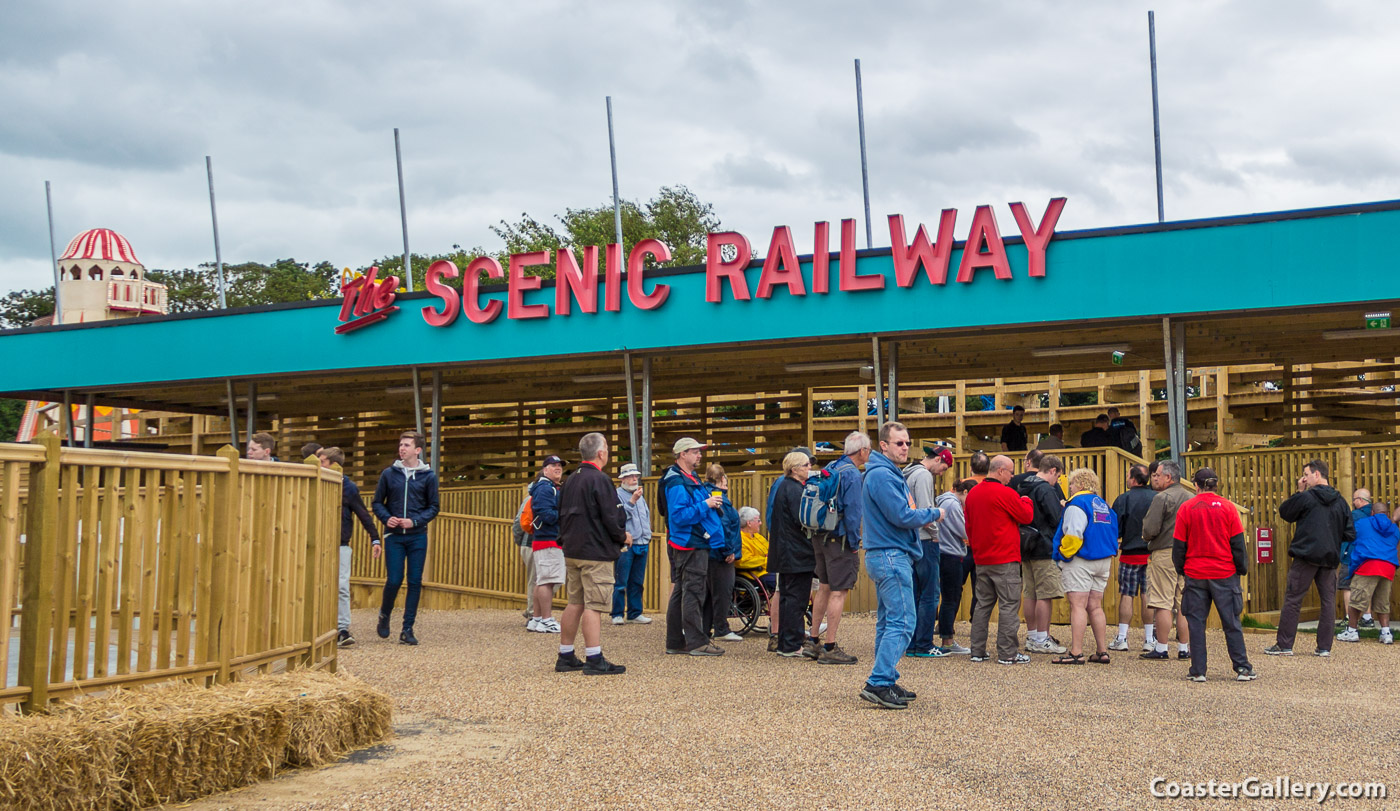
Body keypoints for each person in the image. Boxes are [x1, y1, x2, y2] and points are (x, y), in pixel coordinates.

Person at [858, 421, 939, 710]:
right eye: (898, 443)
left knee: (888, 621)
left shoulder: (884, 472)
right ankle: (879, 681)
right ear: (883, 445)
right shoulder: (882, 475)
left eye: (907, 442)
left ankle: (886, 679)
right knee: (903, 622)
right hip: (891, 556)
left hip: (886, 555)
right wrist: (935, 512)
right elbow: (902, 515)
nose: (905, 447)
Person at [554, 432, 630, 675]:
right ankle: (594, 657)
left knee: (574, 602)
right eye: (606, 447)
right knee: (594, 605)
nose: (607, 451)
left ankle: (565, 654)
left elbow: (559, 513)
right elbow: (611, 515)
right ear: (600, 453)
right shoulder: (600, 480)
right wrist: (622, 536)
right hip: (595, 552)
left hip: (572, 549)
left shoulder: (570, 481)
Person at [1173, 467, 1255, 681]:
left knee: (1196, 623)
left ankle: (1198, 670)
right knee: (1231, 622)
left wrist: (1182, 569)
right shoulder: (1228, 508)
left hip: (1196, 572)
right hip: (1224, 572)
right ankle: (1242, 668)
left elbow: (1179, 545)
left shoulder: (1187, 508)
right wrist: (1241, 568)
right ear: (1216, 485)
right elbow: (1237, 543)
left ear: (1196, 485)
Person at [1268, 459, 1352, 657]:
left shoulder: (1307, 498)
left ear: (1317, 474)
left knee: (1293, 599)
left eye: (1306, 474)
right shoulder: (1341, 502)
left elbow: (1285, 512)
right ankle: (1324, 647)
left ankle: (1285, 645)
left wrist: (1299, 492)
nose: (1304, 478)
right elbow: (1350, 533)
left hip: (1306, 555)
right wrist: (1332, 538)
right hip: (1330, 557)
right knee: (1328, 602)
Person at [371, 431, 439, 646]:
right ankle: (384, 614)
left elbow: (434, 507)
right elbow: (377, 503)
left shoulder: (429, 476)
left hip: (417, 536)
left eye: (407, 445)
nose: (402, 448)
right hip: (394, 537)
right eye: (401, 444)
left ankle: (407, 629)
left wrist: (415, 521)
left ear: (417, 450)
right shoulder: (389, 474)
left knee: (414, 581)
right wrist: (386, 518)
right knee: (394, 579)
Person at [965, 455, 1034, 665]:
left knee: (982, 605)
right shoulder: (1006, 493)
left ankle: (977, 651)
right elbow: (1026, 516)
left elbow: (968, 526)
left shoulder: (973, 494)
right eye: (1011, 472)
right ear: (1001, 471)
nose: (1012, 476)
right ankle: (1007, 653)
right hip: (1005, 559)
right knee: (1008, 606)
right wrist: (1026, 499)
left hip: (982, 559)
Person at [661, 438, 727, 656]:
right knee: (693, 592)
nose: (699, 456)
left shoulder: (687, 477)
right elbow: (678, 516)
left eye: (699, 452)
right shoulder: (677, 481)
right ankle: (697, 642)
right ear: (682, 454)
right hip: (690, 543)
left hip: (690, 541)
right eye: (695, 452)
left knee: (682, 591)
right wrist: (705, 504)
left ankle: (676, 642)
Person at [807, 432, 868, 665]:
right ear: (861, 451)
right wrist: (855, 542)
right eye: (868, 449)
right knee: (839, 591)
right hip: (840, 539)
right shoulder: (852, 474)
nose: (869, 453)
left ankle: (813, 642)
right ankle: (830, 646)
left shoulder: (833, 466)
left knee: (823, 587)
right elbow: (853, 512)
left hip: (819, 535)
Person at [1050, 468, 1119, 665]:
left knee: (1078, 606)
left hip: (1081, 559)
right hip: (1103, 559)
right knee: (1096, 606)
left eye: (1071, 484)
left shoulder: (1077, 504)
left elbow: (1073, 534)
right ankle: (1102, 650)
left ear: (1079, 484)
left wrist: (1062, 553)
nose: (1069, 487)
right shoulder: (1103, 505)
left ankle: (1076, 652)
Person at [318, 446, 380, 648]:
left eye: (323, 461)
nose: (320, 465)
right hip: (316, 544)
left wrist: (375, 538)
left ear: (334, 464)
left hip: (340, 544)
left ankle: (342, 629)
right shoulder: (314, 482)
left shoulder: (349, 488)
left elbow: (362, 513)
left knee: (342, 586)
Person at [1140, 460, 1193, 660]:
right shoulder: (1191, 498)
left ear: (1168, 477)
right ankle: (1183, 647)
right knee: (1183, 602)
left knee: (1163, 602)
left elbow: (1150, 529)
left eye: (1158, 475)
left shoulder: (1162, 498)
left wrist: (1146, 537)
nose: (1155, 478)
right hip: (1186, 554)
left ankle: (1162, 647)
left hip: (1164, 552)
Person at [904, 445, 952, 657]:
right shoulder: (923, 476)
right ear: (938, 459)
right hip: (925, 539)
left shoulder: (907, 472)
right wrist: (935, 533)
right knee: (930, 594)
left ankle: (913, 642)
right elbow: (925, 510)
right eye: (944, 466)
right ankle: (924, 643)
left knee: (914, 593)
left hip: (910, 539)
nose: (942, 472)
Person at [769, 451, 817, 659]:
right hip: (796, 553)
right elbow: (803, 518)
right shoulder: (795, 489)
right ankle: (792, 644)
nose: (809, 468)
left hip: (786, 551)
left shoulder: (784, 487)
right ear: (795, 468)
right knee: (796, 599)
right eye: (806, 465)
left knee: (789, 597)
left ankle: (785, 642)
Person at [1018, 453, 1067, 655]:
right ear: (1053, 471)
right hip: (1044, 546)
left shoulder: (1023, 484)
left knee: (1030, 593)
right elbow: (1056, 519)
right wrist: (1062, 507)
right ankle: (1042, 638)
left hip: (1025, 544)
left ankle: (1031, 636)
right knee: (1045, 596)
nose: (1057, 482)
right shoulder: (1046, 489)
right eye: (1058, 477)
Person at [1110, 465, 1155, 651]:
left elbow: (1115, 528)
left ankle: (1122, 637)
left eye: (1128, 476)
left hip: (1129, 554)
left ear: (1134, 480)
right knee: (1148, 596)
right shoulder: (1156, 498)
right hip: (1152, 555)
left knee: (1127, 595)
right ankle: (1149, 639)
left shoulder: (1123, 499)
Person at [1339, 501, 1396, 645]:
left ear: (1372, 513)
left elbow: (1350, 536)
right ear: (1387, 514)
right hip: (1388, 566)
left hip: (1368, 565)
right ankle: (1386, 632)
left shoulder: (1362, 523)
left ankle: (1352, 631)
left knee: (1356, 600)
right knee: (1383, 602)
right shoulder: (1395, 529)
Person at [702, 464, 743, 643]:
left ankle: (705, 628)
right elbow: (724, 525)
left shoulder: (705, 493)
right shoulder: (720, 498)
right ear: (722, 480)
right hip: (720, 553)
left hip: (708, 551)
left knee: (709, 593)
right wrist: (729, 550)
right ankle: (721, 628)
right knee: (722, 592)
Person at [526, 456, 566, 634]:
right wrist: (566, 514)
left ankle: (536, 619)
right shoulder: (545, 488)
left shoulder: (547, 487)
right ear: (545, 469)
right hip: (548, 539)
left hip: (545, 539)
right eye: (553, 465)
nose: (558, 468)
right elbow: (546, 514)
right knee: (547, 581)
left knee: (542, 580)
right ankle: (546, 620)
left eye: (559, 465)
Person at [610, 462, 653, 626]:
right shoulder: (617, 495)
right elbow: (618, 518)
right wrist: (633, 501)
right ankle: (617, 613)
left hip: (643, 542)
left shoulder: (639, 494)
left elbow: (644, 516)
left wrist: (648, 533)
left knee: (637, 581)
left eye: (636, 476)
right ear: (623, 478)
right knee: (621, 581)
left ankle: (635, 612)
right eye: (631, 476)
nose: (635, 479)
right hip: (626, 544)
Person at [936, 478, 976, 654]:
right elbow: (964, 531)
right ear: (966, 492)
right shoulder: (952, 505)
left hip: (944, 551)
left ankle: (944, 636)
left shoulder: (944, 501)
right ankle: (947, 640)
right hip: (950, 553)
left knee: (946, 597)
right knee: (950, 598)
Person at [735, 506, 779, 649]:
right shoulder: (740, 539)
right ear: (749, 523)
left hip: (766, 570)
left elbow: (770, 552)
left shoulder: (758, 537)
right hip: (754, 574)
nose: (760, 523)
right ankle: (777, 620)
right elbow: (743, 561)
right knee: (781, 584)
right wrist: (765, 561)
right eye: (758, 520)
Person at [1344, 489, 1374, 628]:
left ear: (1361, 500)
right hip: (1368, 555)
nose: (1353, 502)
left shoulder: (1354, 515)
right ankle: (1367, 617)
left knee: (1347, 587)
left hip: (1351, 554)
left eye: (1355, 499)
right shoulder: (1374, 514)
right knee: (1365, 587)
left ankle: (1349, 618)